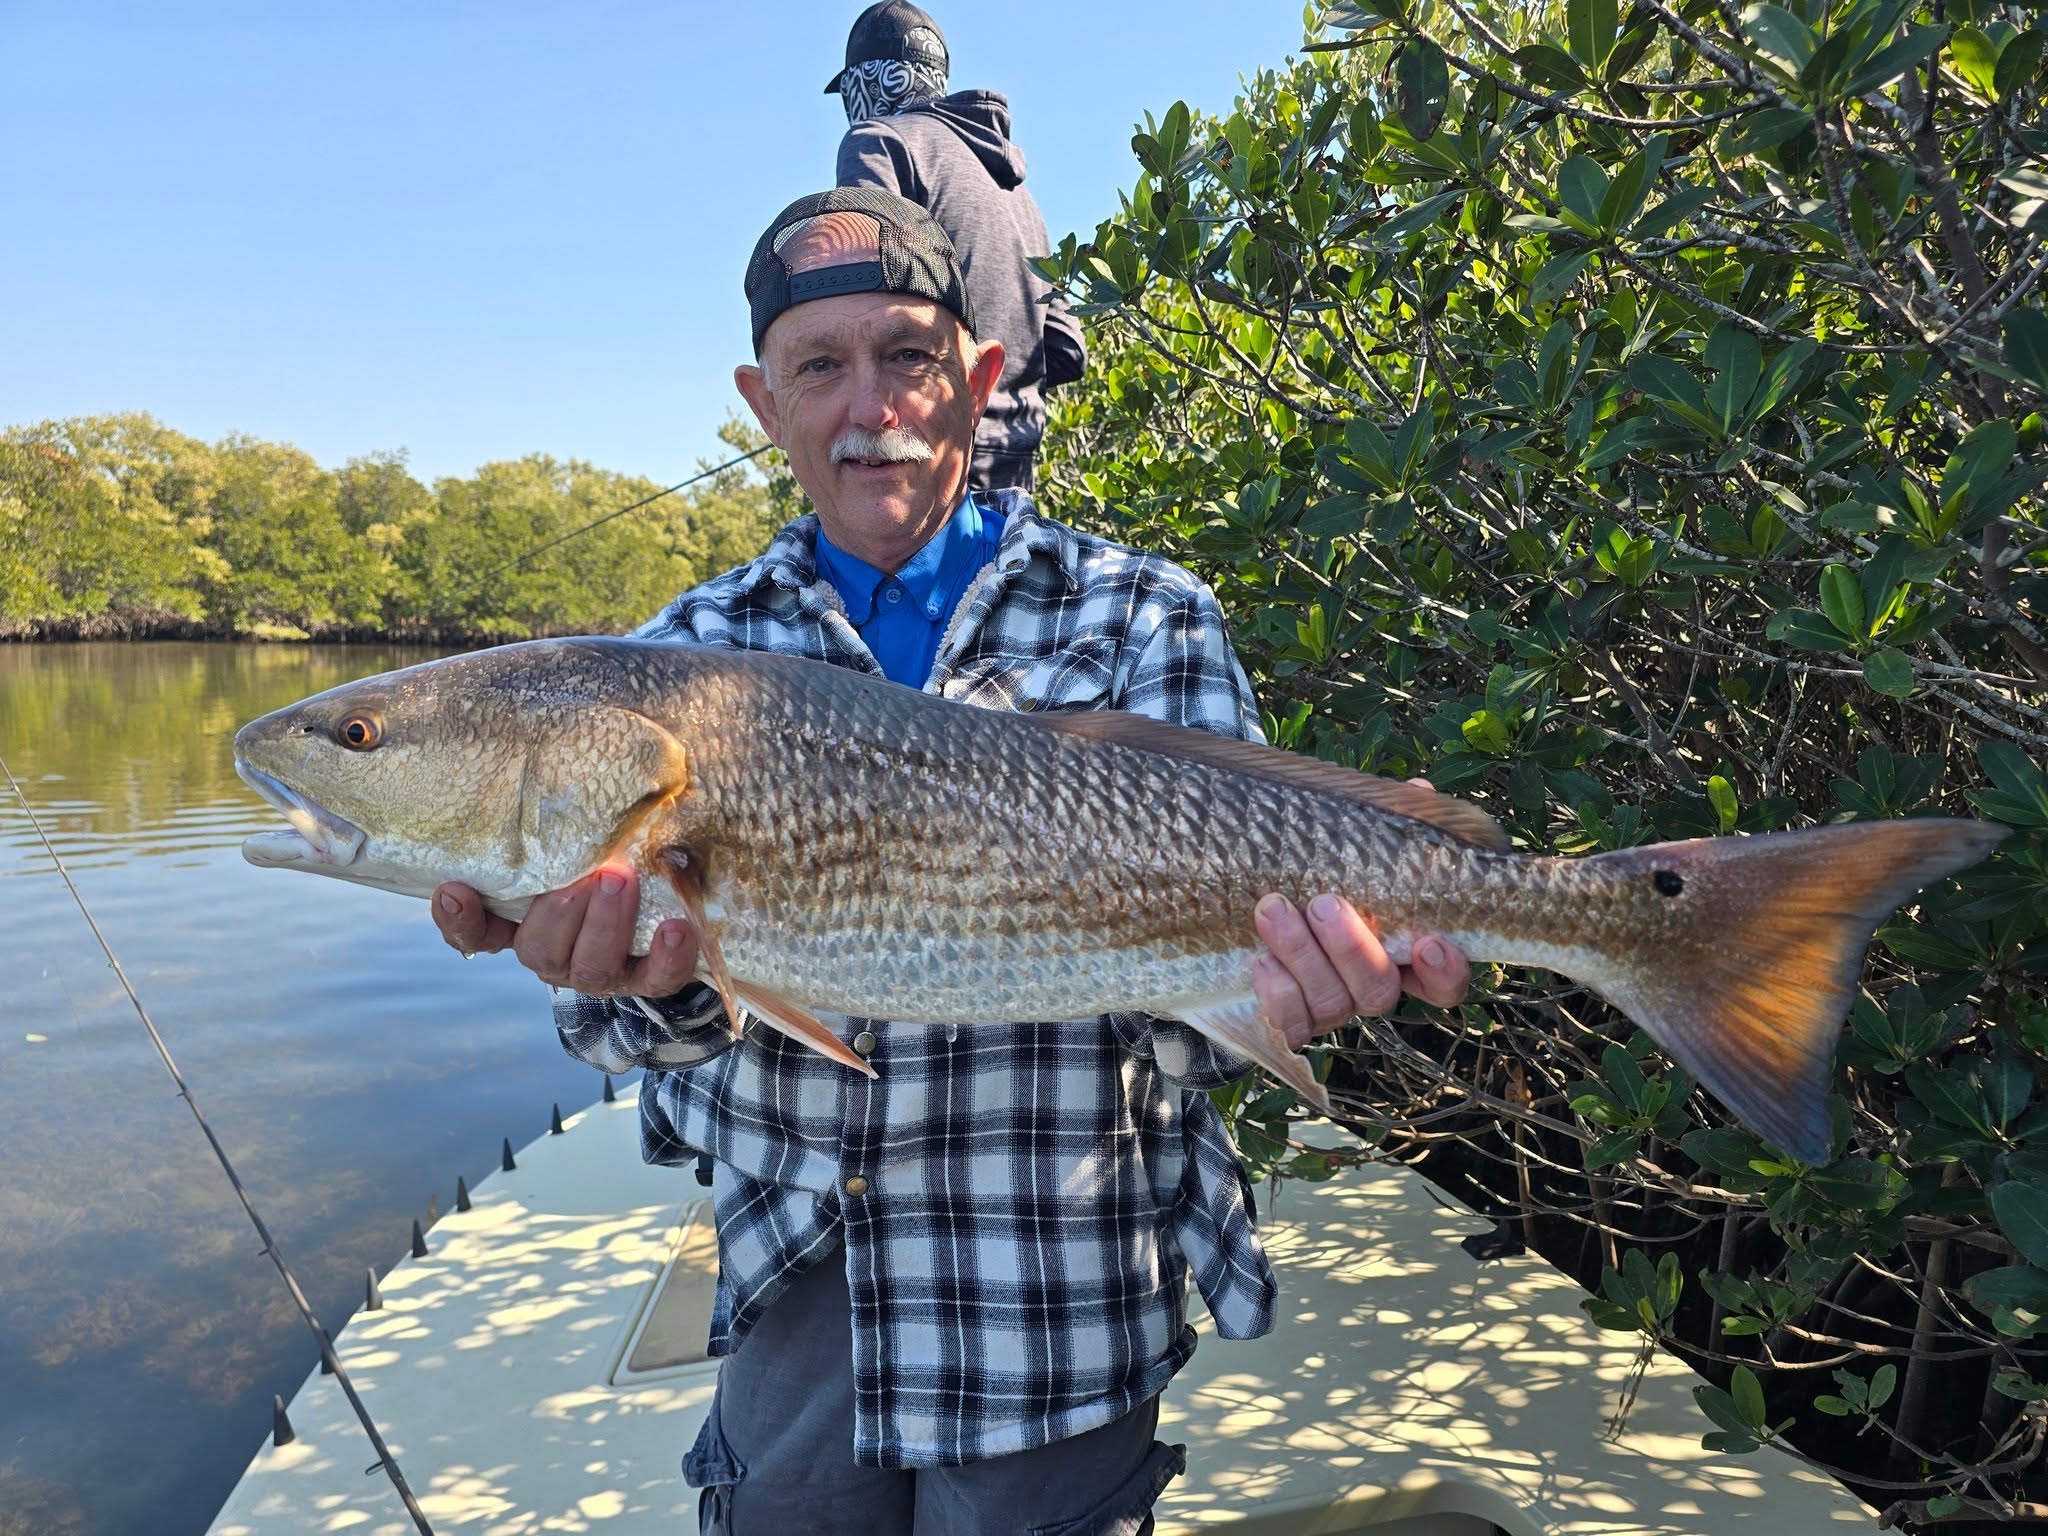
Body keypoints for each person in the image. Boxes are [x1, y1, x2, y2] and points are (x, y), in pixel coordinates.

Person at [430, 188, 1471, 1535]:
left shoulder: (1142, 618)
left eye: (909, 355)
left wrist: (1285, 996)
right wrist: (642, 981)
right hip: (804, 1277)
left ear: (979, 379)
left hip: (1059, 1285)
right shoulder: (677, 654)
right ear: (764, 400)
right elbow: (619, 1034)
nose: (872, 407)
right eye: (821, 366)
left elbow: (1204, 1025)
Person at [829, 0, 1083, 493]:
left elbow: (865, 289)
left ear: (868, 80)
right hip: (1017, 457)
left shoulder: (877, 140)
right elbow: (1066, 349)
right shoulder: (1016, 190)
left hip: (927, 455)